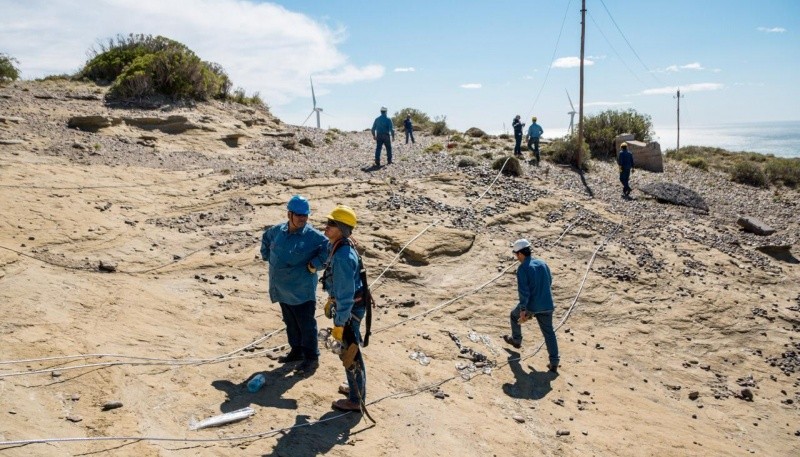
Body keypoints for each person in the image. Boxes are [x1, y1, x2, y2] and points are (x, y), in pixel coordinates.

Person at [260, 195, 328, 375]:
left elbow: (328, 250)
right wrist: (267, 256)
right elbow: (265, 239)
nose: (302, 218)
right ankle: (296, 352)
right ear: (289, 214)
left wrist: (315, 265)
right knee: (290, 322)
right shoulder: (277, 231)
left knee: (306, 325)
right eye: (298, 215)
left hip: (301, 291)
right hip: (282, 289)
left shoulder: (314, 237)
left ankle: (311, 358)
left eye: (305, 215)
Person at [321, 205, 368, 412]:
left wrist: (340, 322)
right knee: (351, 351)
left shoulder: (342, 256)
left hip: (349, 312)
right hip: (349, 309)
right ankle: (355, 388)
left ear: (341, 228)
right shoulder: (342, 245)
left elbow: (346, 294)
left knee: (350, 353)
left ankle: (355, 400)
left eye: (331, 224)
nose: (326, 227)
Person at [503, 239, 560, 373]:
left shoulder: (523, 268)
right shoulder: (542, 263)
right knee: (549, 333)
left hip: (531, 306)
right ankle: (554, 362)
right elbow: (549, 281)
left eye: (516, 254)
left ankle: (516, 340)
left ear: (521, 254)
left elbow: (524, 291)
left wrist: (523, 310)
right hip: (547, 304)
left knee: (513, 315)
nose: (516, 257)